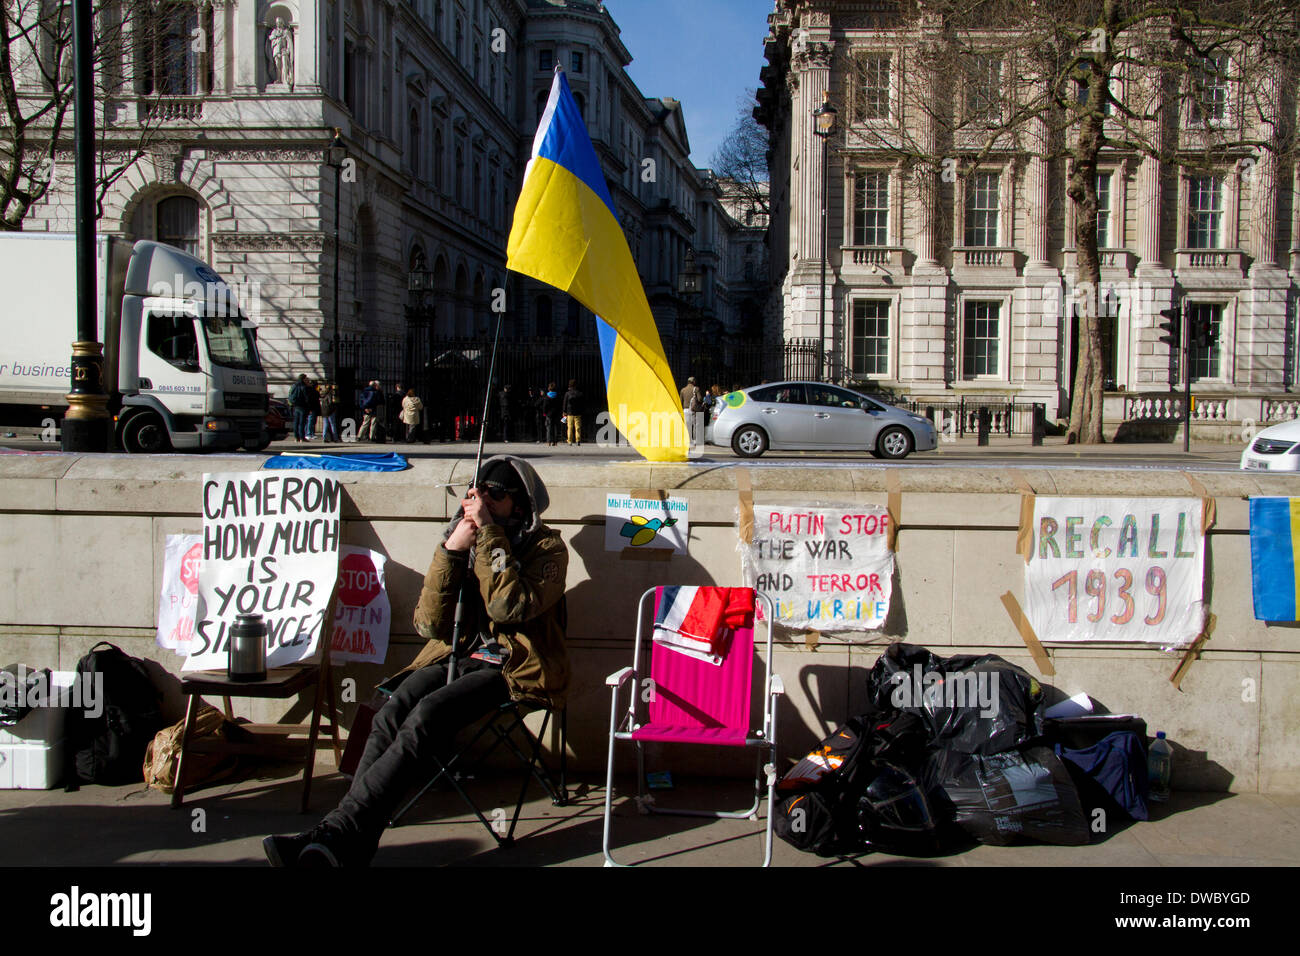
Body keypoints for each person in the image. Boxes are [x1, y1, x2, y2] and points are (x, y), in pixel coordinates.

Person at [263, 456, 569, 867]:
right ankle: (344, 835)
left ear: (521, 504)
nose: (482, 502)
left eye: (496, 495)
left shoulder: (546, 547)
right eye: (478, 493)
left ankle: (340, 836)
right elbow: (428, 624)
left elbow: (506, 607)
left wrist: (490, 535)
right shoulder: (468, 539)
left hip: (513, 667)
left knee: (428, 714)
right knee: (390, 712)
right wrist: (450, 553)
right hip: (457, 656)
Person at [680, 376, 704, 446]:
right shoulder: (696, 389)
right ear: (694, 382)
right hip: (693, 410)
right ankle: (695, 441)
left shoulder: (683, 390)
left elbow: (680, 401)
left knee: (687, 426)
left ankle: (688, 440)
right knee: (695, 425)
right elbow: (699, 399)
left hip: (685, 410)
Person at [288, 374, 311, 442]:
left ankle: (296, 437)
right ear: (303, 379)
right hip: (302, 406)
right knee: (302, 423)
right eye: (306, 378)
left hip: (295, 406)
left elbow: (290, 394)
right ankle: (302, 438)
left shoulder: (294, 385)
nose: (307, 380)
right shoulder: (304, 387)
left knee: (296, 422)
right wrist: (308, 406)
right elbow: (307, 398)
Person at [563, 378, 584, 445]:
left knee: (570, 427)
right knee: (578, 427)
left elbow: (565, 403)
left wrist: (564, 411)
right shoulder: (580, 393)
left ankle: (570, 440)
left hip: (569, 413)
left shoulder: (567, 393)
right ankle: (578, 440)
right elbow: (582, 404)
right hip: (577, 413)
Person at [543, 382, 561, 446]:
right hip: (556, 414)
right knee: (555, 428)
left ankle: (549, 442)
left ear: (549, 388)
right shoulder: (557, 396)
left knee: (549, 428)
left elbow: (545, 406)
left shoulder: (547, 397)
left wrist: (544, 413)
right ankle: (555, 442)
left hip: (548, 414)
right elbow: (559, 405)